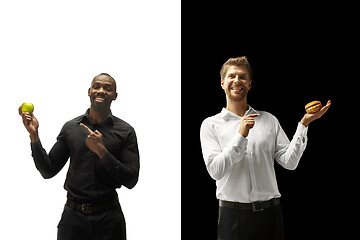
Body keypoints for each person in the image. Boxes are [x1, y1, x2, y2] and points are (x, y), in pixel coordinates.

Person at [200, 57, 331, 240]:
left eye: (243, 77)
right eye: (232, 76)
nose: (237, 81)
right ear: (222, 83)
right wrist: (240, 136)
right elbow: (215, 171)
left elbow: (289, 162)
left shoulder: (269, 120)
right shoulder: (210, 125)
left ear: (250, 84)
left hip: (271, 215)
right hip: (233, 217)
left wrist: (303, 124)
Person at [19, 73, 140, 240]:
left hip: (109, 221)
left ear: (115, 96)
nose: (101, 91)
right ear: (89, 91)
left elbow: (131, 180)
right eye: (96, 86)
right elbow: (48, 170)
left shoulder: (126, 131)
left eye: (108, 88)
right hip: (73, 220)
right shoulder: (71, 128)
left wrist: (101, 151)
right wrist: (34, 135)